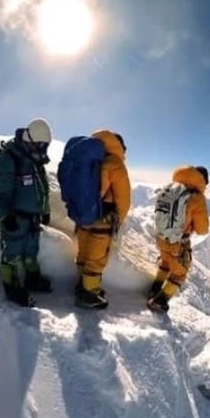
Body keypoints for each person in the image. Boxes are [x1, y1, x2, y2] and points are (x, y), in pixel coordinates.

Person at [59, 129, 132, 310]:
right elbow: (123, 198)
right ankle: (89, 293)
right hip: (103, 219)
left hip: (83, 216)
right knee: (97, 258)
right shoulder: (115, 163)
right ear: (119, 146)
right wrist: (119, 219)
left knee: (84, 253)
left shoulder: (87, 157)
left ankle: (81, 285)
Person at [0, 118, 54, 307]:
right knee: (13, 252)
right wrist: (5, 216)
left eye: (45, 145)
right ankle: (11, 286)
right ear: (29, 139)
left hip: (32, 217)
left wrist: (45, 210)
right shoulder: (9, 160)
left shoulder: (34, 159)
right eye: (40, 144)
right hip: (15, 216)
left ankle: (32, 279)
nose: (43, 148)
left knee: (31, 251)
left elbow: (42, 188)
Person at [147, 165, 210, 314]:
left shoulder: (172, 188)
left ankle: (153, 290)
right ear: (203, 180)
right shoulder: (196, 197)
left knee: (166, 263)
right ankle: (160, 301)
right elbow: (202, 229)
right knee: (180, 272)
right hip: (178, 242)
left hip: (161, 236)